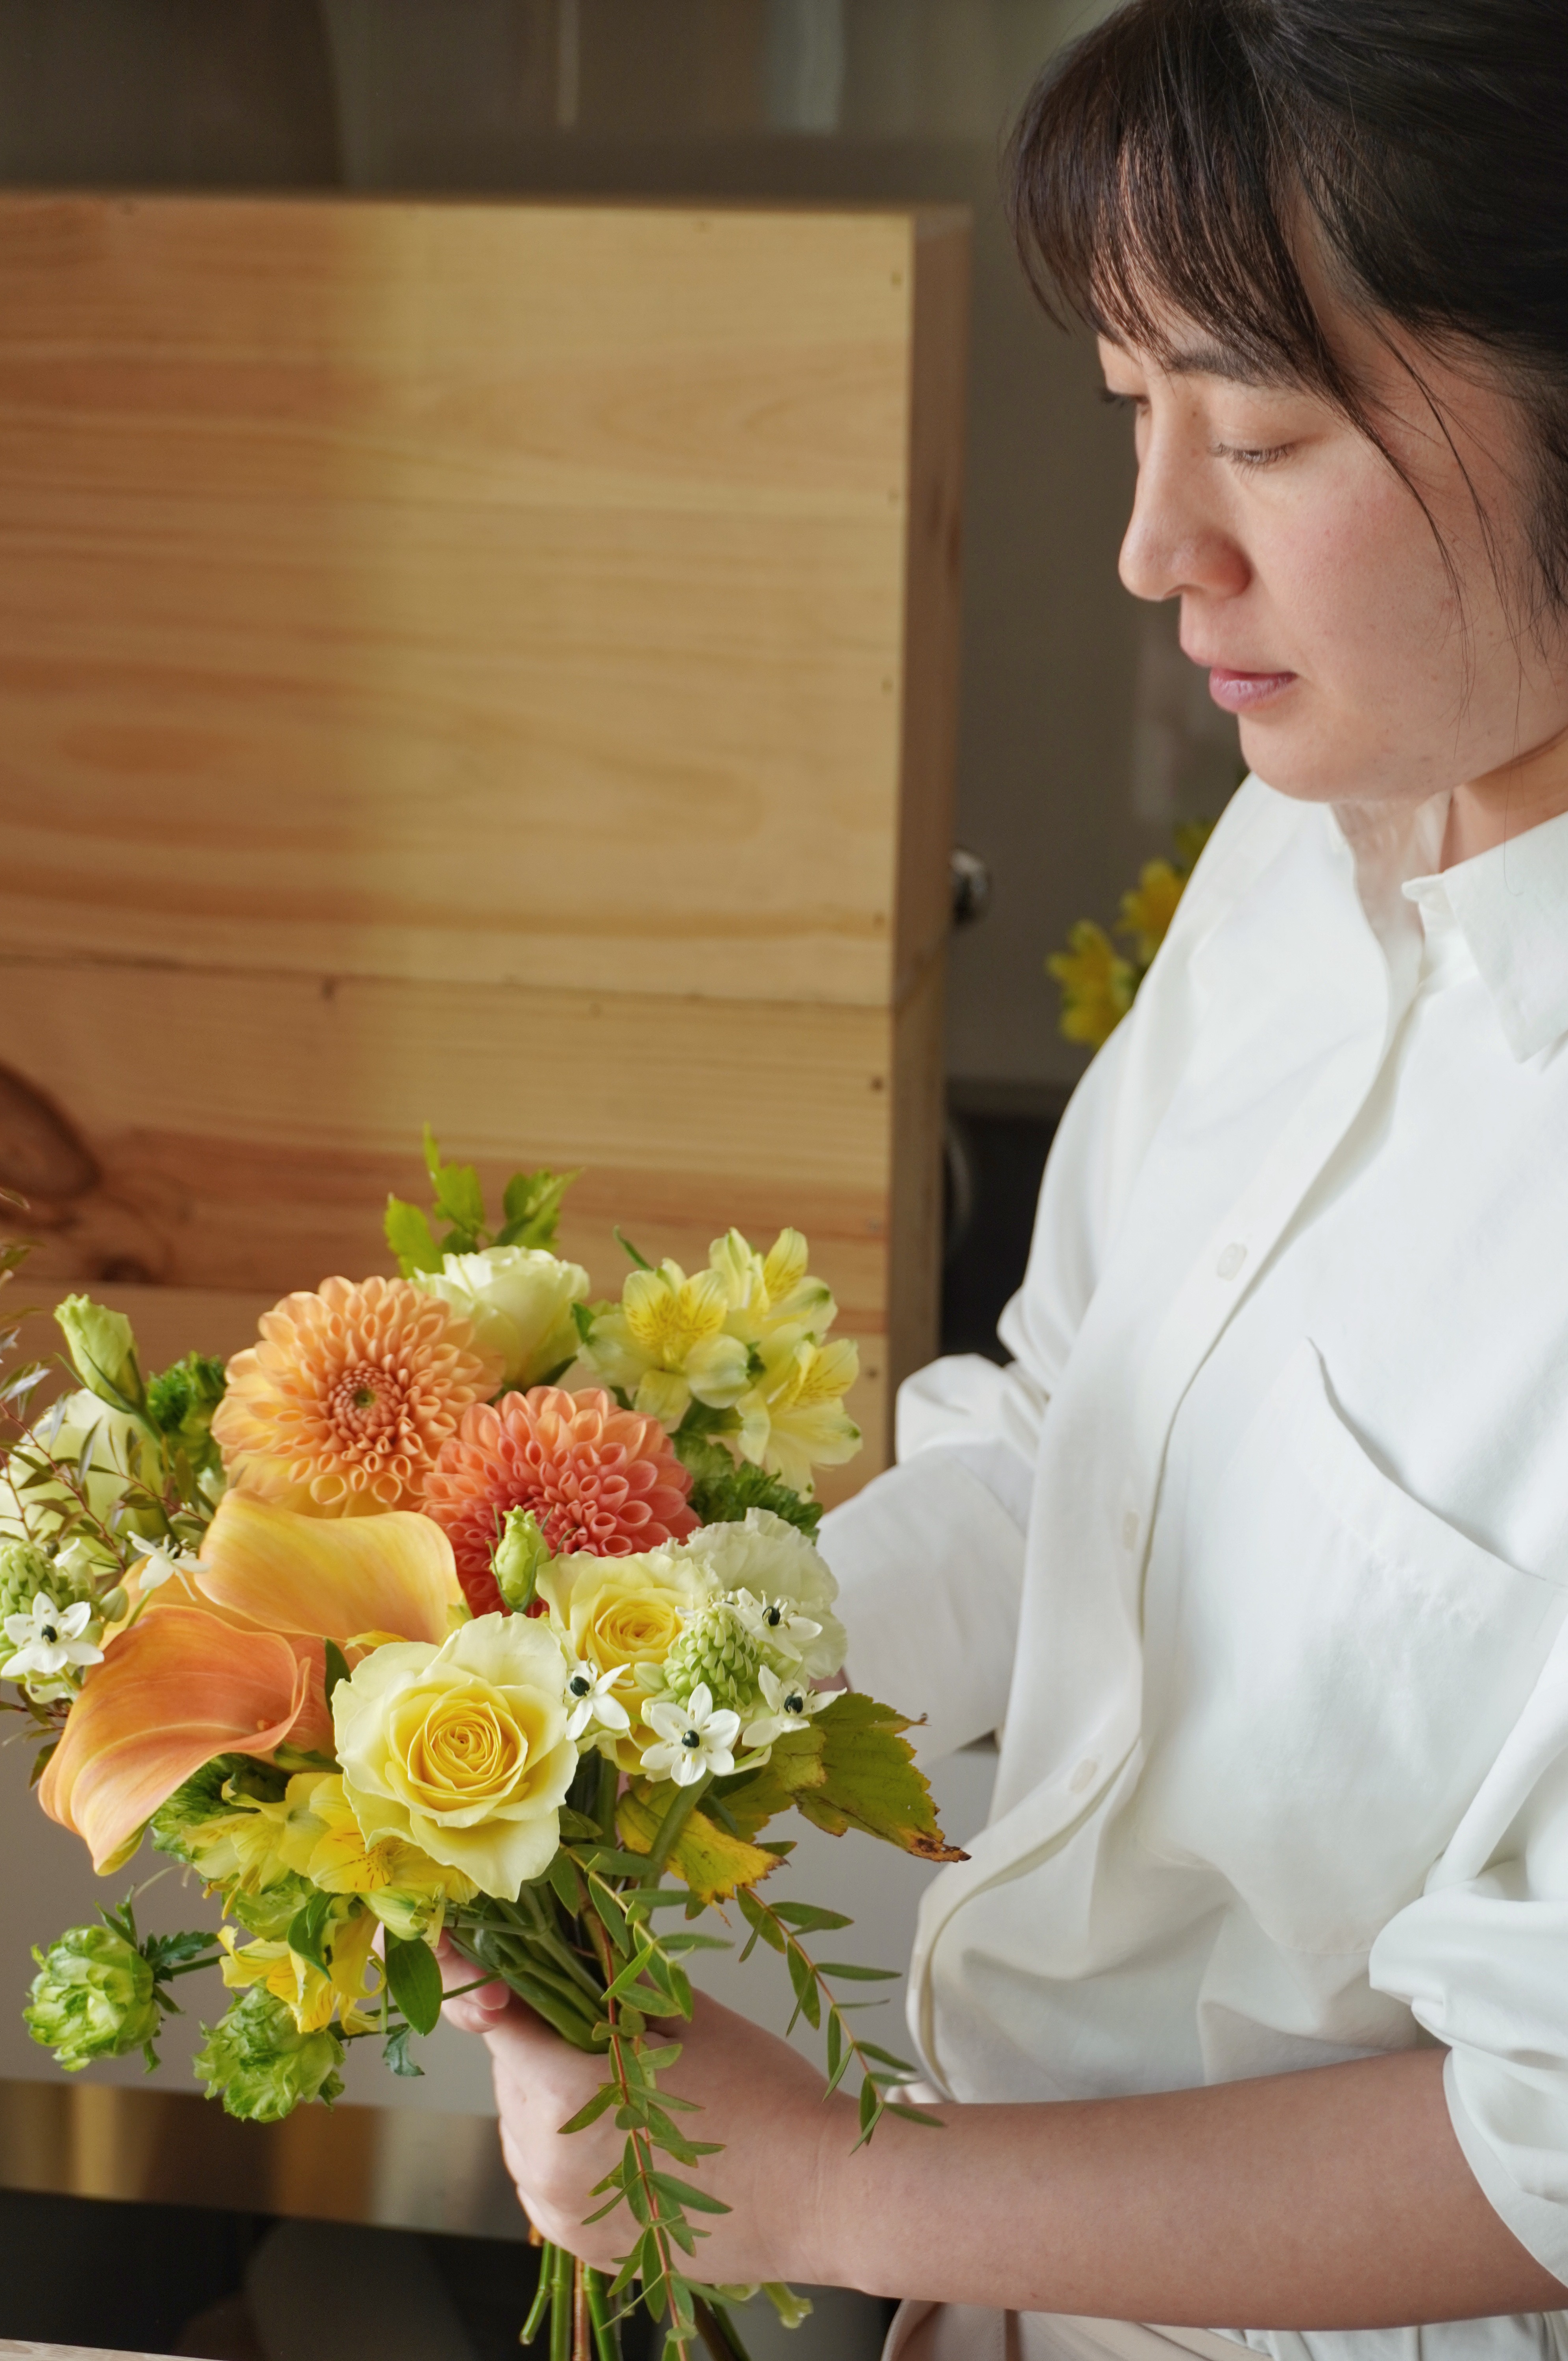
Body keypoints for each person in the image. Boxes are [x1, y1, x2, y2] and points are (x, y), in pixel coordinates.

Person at [440, 4, 1568, 2356]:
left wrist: (840, 2189)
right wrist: (631, 1697)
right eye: (1133, 415)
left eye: (1258, 429)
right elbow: (1067, 1429)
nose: (1160, 545)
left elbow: (1537, 2147)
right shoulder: (1304, 850)